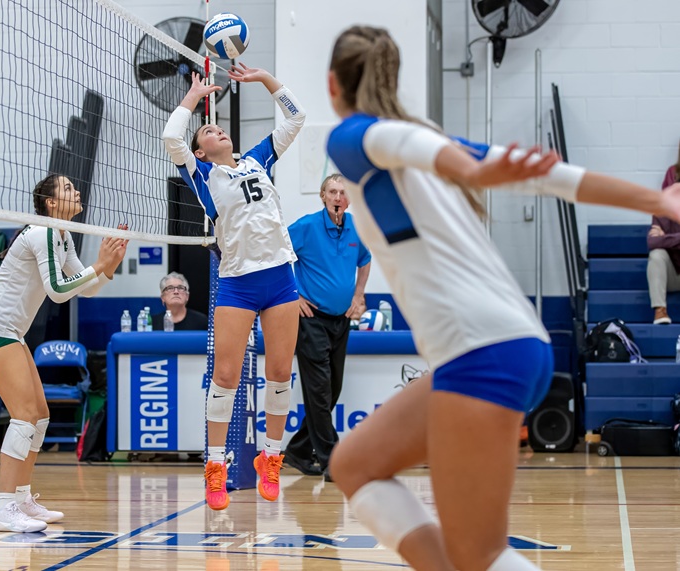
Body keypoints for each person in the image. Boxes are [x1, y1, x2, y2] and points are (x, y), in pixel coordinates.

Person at [325, 25, 680, 571]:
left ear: (333, 85)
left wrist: (472, 170)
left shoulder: (355, 139)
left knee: (481, 556)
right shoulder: (425, 148)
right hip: (503, 345)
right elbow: (562, 179)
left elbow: (392, 141)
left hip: (484, 349)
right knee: (355, 464)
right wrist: (658, 200)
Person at [162, 64, 305, 510]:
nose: (216, 129)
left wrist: (265, 80)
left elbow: (296, 117)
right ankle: (216, 466)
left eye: (218, 126)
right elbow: (171, 139)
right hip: (238, 283)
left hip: (280, 277)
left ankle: (272, 458)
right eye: (207, 130)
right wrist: (192, 97)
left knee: (280, 374)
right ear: (200, 152)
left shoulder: (258, 159)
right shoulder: (203, 176)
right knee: (225, 378)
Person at [0, 174, 128, 532]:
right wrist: (99, 265)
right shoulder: (41, 232)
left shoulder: (62, 234)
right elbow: (57, 292)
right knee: (24, 416)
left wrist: (109, 266)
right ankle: (2, 507)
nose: (78, 190)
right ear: (51, 203)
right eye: (68, 188)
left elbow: (84, 290)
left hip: (12, 332)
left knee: (39, 415)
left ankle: (22, 498)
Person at [284, 173, 370, 479]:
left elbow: (365, 259)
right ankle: (334, 460)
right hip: (310, 319)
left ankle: (296, 451)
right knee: (319, 390)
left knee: (331, 390)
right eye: (332, 192)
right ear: (323, 196)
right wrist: (292, 295)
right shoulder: (306, 226)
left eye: (343, 193)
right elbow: (278, 255)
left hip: (341, 319)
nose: (338, 197)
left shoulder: (356, 228)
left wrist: (359, 295)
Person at [647, 141, 680, 324]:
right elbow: (652, 242)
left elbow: (660, 239)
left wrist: (666, 238)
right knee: (657, 254)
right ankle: (660, 311)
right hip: (673, 273)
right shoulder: (662, 208)